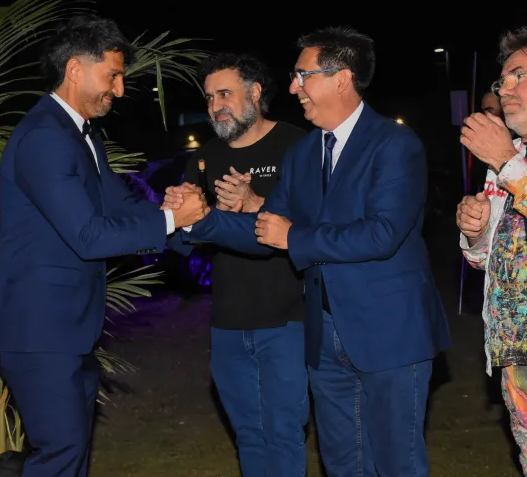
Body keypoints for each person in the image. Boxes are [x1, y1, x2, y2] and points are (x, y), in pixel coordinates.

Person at [167, 27, 450, 476]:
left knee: (396, 462)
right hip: (326, 336)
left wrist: (294, 237)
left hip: (388, 332)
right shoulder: (305, 153)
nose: (293, 87)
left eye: (303, 76)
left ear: (342, 79)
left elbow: (382, 234)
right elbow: (265, 229)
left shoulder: (394, 144)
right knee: (342, 462)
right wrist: (195, 220)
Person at [0, 16, 207, 477]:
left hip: (68, 330)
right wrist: (173, 219)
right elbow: (89, 236)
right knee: (59, 455)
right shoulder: (45, 137)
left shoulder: (80, 135)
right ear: (74, 70)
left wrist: (172, 212)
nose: (120, 90)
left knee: (71, 455)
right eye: (113, 75)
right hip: (39, 333)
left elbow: (119, 206)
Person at [170, 53, 307, 476]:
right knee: (248, 433)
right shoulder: (205, 158)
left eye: (225, 94)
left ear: (256, 92)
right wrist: (174, 216)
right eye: (210, 97)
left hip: (288, 320)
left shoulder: (298, 145)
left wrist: (254, 203)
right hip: (228, 321)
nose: (216, 106)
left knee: (283, 432)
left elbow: (319, 227)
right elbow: (183, 244)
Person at [458, 20, 527, 477]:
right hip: (516, 358)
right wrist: (476, 232)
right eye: (501, 79)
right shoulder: (510, 156)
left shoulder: (509, 157)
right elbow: (487, 261)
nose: (503, 88)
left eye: (518, 75)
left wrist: (506, 161)